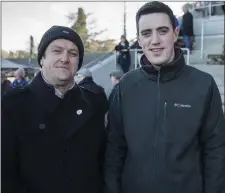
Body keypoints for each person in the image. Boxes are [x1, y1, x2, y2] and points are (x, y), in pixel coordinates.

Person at [104, 2, 225, 193]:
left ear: (175, 33)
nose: (155, 40)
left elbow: (216, 151)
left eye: (162, 31)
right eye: (146, 33)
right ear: (139, 39)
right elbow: (114, 149)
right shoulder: (125, 87)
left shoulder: (204, 85)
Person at [2, 25, 108, 193]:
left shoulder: (95, 102)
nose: (65, 58)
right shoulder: (11, 105)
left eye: (73, 54)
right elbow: (6, 174)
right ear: (42, 58)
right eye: (57, 51)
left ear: (78, 63)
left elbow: (102, 161)